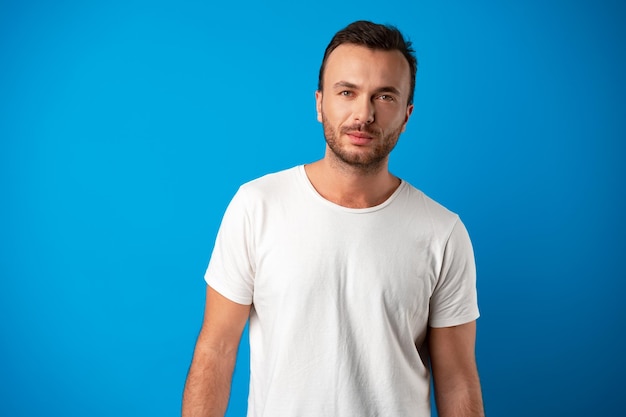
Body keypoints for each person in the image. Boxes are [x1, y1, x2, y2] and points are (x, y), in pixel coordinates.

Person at [182, 20, 484, 417]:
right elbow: (216, 349)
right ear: (319, 103)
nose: (364, 113)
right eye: (347, 92)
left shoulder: (443, 232)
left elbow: (457, 379)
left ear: (407, 115)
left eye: (384, 96)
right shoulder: (256, 206)